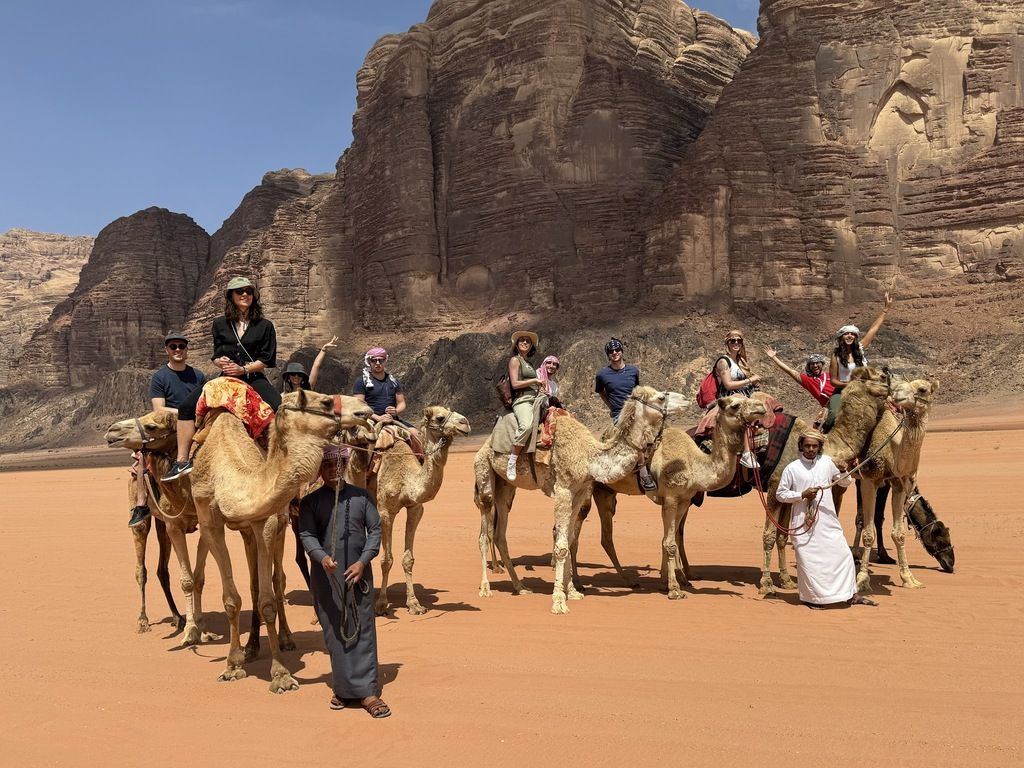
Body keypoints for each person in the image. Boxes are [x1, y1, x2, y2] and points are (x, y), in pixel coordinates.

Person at [299, 445, 390, 717]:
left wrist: (363, 562)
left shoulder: (363, 497)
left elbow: (375, 531)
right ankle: (342, 688)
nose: (331, 470)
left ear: (344, 466)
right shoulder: (310, 502)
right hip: (326, 578)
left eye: (336, 465)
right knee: (334, 632)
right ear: (319, 470)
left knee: (361, 630)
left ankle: (368, 693)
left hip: (358, 576)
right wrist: (321, 557)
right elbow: (307, 535)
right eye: (325, 466)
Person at [162, 276, 280, 482]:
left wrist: (242, 369)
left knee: (279, 407)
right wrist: (221, 362)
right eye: (239, 291)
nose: (245, 295)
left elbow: (267, 359)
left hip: (253, 377)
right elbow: (216, 354)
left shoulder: (265, 326)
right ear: (231, 296)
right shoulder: (219, 324)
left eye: (249, 291)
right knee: (186, 407)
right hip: (226, 378)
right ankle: (181, 461)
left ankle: (282, 458)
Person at [774, 429, 876, 608]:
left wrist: (845, 472)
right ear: (801, 446)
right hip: (803, 524)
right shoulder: (792, 468)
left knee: (843, 555)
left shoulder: (827, 463)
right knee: (810, 563)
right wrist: (802, 494)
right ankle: (813, 598)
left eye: (814, 446)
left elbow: (844, 482)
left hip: (827, 522)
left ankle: (850, 594)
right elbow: (781, 494)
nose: (811, 449)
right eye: (807, 446)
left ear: (820, 447)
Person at [128, 331, 206, 526]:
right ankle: (141, 504)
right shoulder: (160, 377)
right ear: (167, 350)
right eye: (173, 347)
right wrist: (184, 412)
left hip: (197, 425)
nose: (178, 350)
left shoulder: (198, 376)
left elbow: (205, 402)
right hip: (168, 428)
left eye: (181, 346)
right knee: (144, 457)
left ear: (187, 349)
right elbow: (158, 409)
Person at [594, 337, 656, 491]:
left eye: (617, 350)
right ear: (608, 355)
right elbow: (601, 392)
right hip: (618, 415)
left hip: (637, 412)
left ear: (622, 352)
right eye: (611, 351)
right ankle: (643, 473)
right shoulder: (602, 374)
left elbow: (637, 391)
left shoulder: (633, 371)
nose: (615, 353)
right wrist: (611, 406)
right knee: (635, 437)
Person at [829, 292, 893, 392]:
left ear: (855, 337)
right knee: (834, 408)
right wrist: (850, 384)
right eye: (846, 334)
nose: (849, 336)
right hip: (843, 391)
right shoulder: (836, 355)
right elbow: (833, 381)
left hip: (863, 390)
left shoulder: (860, 348)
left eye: (852, 334)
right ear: (841, 337)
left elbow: (873, 329)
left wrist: (885, 309)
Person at [505, 331, 542, 482]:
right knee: (526, 426)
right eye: (522, 340)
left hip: (536, 398)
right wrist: (535, 380)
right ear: (516, 344)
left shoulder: (529, 363)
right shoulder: (515, 360)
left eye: (528, 341)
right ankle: (512, 461)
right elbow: (514, 384)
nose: (525, 342)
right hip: (523, 400)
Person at [353, 347, 411, 427]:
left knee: (416, 434)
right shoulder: (361, 381)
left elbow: (401, 402)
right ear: (369, 362)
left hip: (392, 419)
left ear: (385, 361)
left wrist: (396, 411)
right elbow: (358, 405)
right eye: (373, 360)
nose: (377, 363)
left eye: (381, 360)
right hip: (369, 420)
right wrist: (378, 418)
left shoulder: (394, 381)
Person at [762, 347, 833, 407]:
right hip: (829, 407)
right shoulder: (808, 380)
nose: (815, 365)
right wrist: (774, 357)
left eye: (817, 363)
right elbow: (790, 371)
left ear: (822, 364)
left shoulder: (832, 375)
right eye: (812, 364)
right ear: (809, 366)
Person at [715, 330, 761, 400]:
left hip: (746, 394)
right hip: (730, 398)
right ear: (727, 343)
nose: (736, 343)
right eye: (733, 340)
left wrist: (753, 382)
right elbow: (728, 385)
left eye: (739, 341)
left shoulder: (741, 361)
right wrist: (750, 380)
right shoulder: (723, 362)